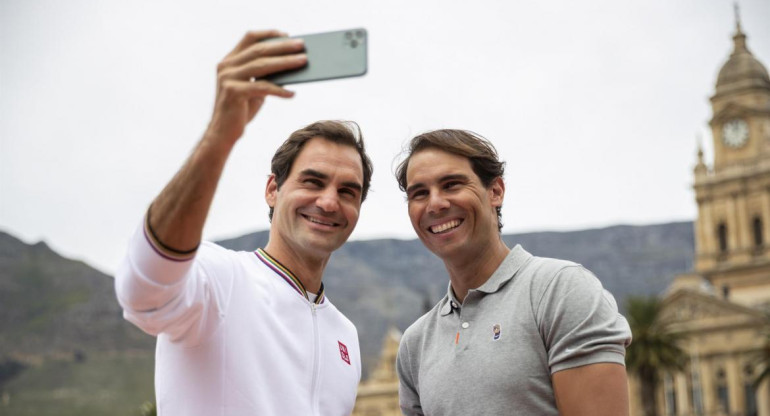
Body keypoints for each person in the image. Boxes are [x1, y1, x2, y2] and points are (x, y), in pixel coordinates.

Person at [114, 30, 373, 415]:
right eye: (312, 181)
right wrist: (221, 133)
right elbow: (143, 291)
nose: (329, 201)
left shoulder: (347, 337)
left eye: (348, 191)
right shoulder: (220, 279)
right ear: (273, 190)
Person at [394, 129, 632, 415]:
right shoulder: (414, 343)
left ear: (495, 192)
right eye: (419, 193)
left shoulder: (561, 291)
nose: (435, 203)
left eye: (452, 185)